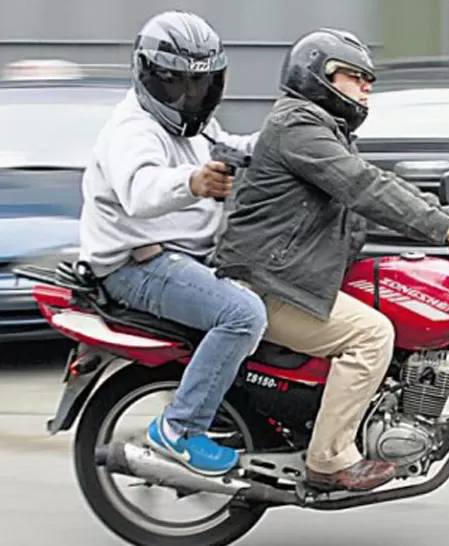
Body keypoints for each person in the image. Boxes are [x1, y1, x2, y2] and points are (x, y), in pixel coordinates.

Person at [213, 28, 449, 492]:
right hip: (267, 281)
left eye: (368, 79)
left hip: (288, 273)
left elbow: (371, 186)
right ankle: (329, 459)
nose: (366, 88)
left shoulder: (319, 129)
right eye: (355, 77)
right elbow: (363, 188)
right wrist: (445, 229)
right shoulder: (298, 126)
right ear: (320, 76)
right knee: (373, 335)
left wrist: (443, 216)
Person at [78, 11, 267, 477]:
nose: (191, 95)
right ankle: (180, 429)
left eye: (201, 84)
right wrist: (194, 182)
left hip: (186, 254)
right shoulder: (133, 128)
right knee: (242, 314)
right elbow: (140, 191)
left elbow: (231, 149)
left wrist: (288, 141)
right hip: (137, 265)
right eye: (178, 84)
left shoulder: (195, 123)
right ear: (149, 76)